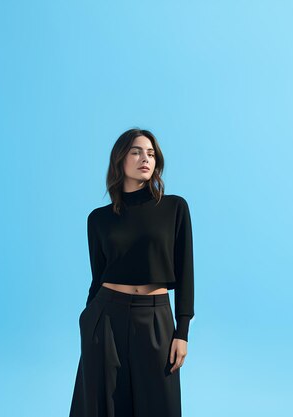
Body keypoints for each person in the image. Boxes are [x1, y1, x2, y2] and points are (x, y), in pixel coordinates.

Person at [69, 128, 195, 417]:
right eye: (137, 151)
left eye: (151, 154)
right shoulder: (98, 219)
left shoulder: (174, 208)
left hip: (155, 318)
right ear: (120, 161)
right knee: (105, 407)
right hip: (106, 317)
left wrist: (183, 331)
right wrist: (87, 324)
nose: (145, 159)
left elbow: (186, 272)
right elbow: (97, 277)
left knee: (160, 406)